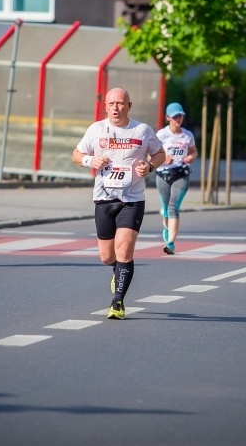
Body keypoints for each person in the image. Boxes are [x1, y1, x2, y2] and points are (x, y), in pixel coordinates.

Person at [72, 87, 166, 319]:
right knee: (107, 256)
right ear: (105, 106)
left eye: (121, 103)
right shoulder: (96, 129)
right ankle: (117, 270)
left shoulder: (142, 130)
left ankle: (118, 303)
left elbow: (160, 154)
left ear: (129, 106)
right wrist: (90, 159)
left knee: (124, 250)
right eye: (112, 104)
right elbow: (76, 154)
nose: (116, 108)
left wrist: (150, 166)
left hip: (132, 199)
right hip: (104, 198)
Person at [155, 102, 197, 255]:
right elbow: (151, 154)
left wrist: (190, 157)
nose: (178, 119)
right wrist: (163, 158)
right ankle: (167, 226)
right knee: (166, 210)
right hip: (163, 175)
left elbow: (193, 151)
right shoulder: (161, 135)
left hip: (181, 174)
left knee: (173, 206)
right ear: (167, 118)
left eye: (180, 116)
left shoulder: (188, 135)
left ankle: (171, 243)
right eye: (174, 116)